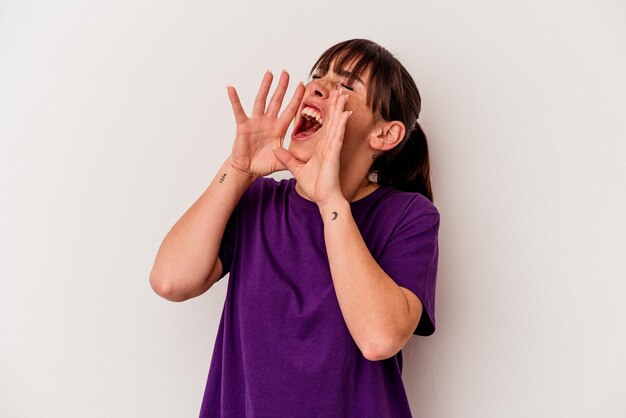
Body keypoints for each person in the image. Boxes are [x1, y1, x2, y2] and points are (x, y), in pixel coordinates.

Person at [150, 38, 441, 418]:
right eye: (319, 76)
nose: (319, 87)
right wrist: (238, 170)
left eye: (347, 86)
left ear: (385, 135)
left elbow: (378, 338)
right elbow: (170, 280)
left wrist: (330, 202)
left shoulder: (408, 216)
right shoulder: (258, 201)